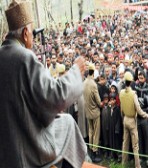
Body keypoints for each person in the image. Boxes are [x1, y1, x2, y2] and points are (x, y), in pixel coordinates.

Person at [0, 1, 86, 167]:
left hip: (5, 146)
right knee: (68, 124)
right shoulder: (24, 57)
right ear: (26, 33)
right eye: (32, 33)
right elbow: (55, 97)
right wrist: (75, 72)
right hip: (24, 146)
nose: (32, 37)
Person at [120, 72, 148, 168]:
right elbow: (138, 109)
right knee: (135, 145)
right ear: (131, 82)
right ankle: (138, 166)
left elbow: (121, 108)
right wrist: (146, 115)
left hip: (125, 119)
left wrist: (123, 117)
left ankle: (123, 163)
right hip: (132, 120)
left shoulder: (121, 92)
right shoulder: (133, 94)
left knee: (125, 143)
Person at [83, 63, 102, 163]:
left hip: (87, 111)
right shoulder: (94, 84)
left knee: (90, 131)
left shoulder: (84, 82)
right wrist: (102, 104)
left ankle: (90, 150)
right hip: (95, 112)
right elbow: (98, 101)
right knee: (96, 133)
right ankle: (95, 152)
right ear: (93, 72)